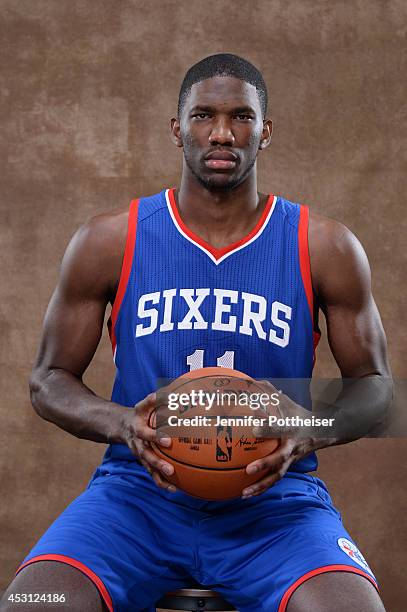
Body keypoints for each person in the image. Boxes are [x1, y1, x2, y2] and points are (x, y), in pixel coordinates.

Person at [1, 54, 392, 612]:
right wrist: (123, 423)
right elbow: (47, 378)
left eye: (242, 117)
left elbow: (377, 388)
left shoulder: (322, 245)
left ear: (266, 131)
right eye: (204, 116)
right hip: (136, 497)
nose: (223, 133)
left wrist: (309, 426)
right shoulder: (110, 239)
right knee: (32, 604)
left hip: (275, 504)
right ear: (177, 128)